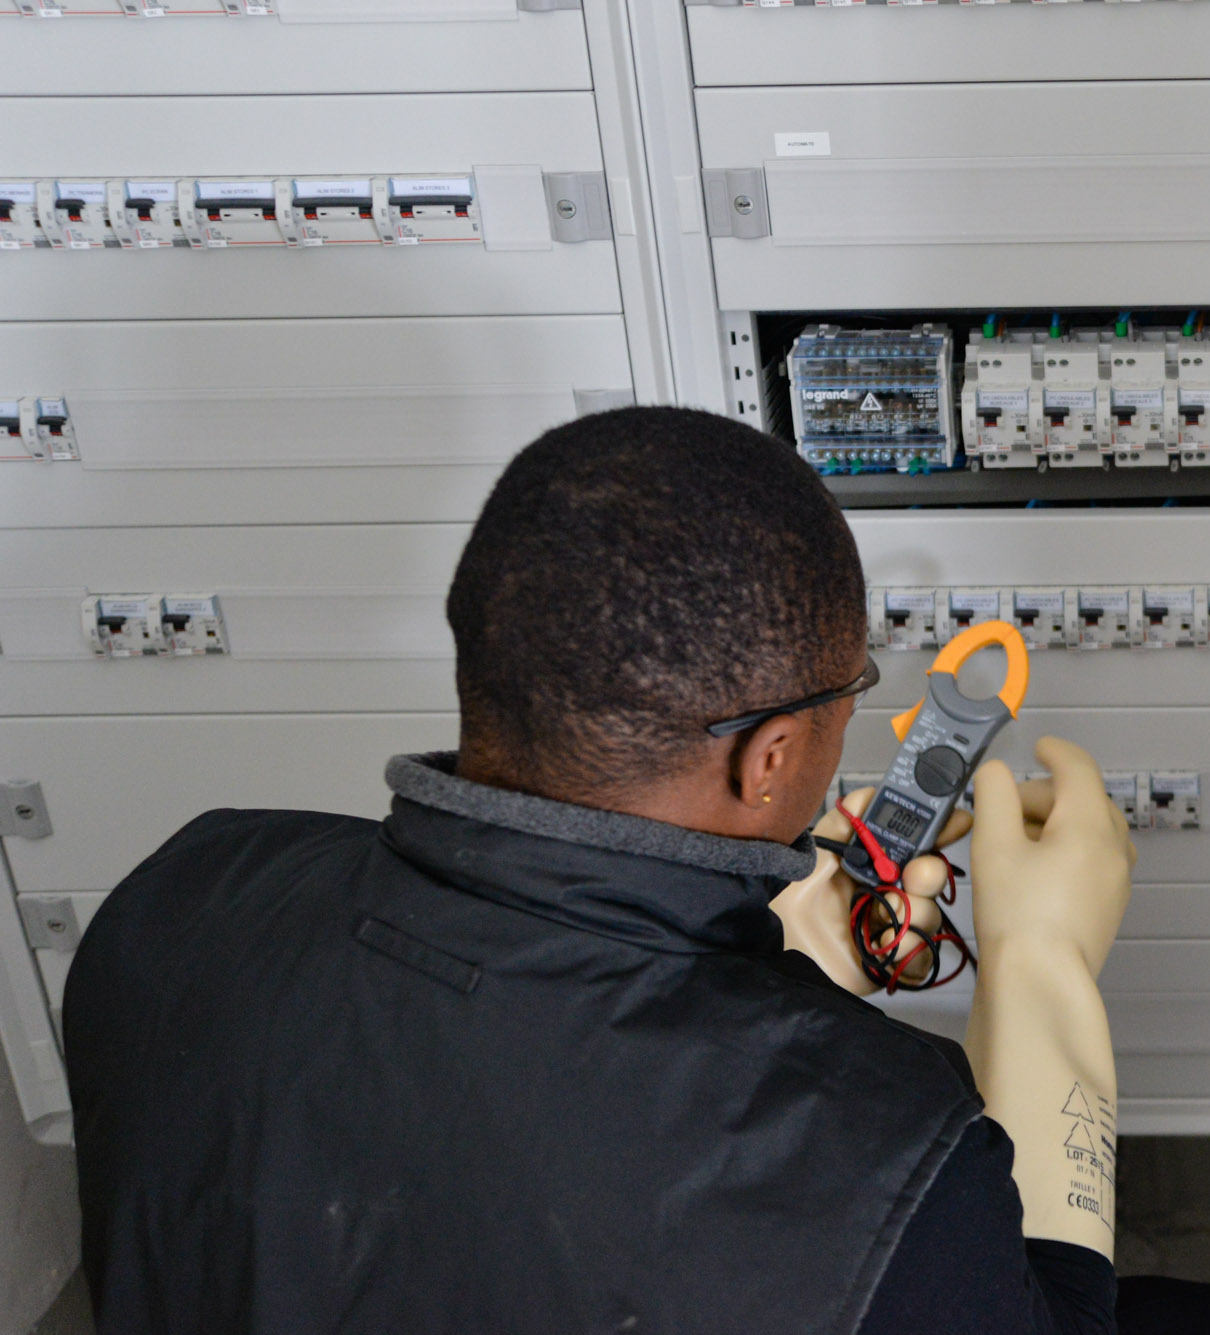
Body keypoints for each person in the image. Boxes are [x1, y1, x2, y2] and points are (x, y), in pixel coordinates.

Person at [63, 406, 1152, 1334]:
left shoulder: (183, 897)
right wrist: (1039, 959)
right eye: (850, 691)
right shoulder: (883, 1162)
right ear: (770, 757)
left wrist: (767, 971)